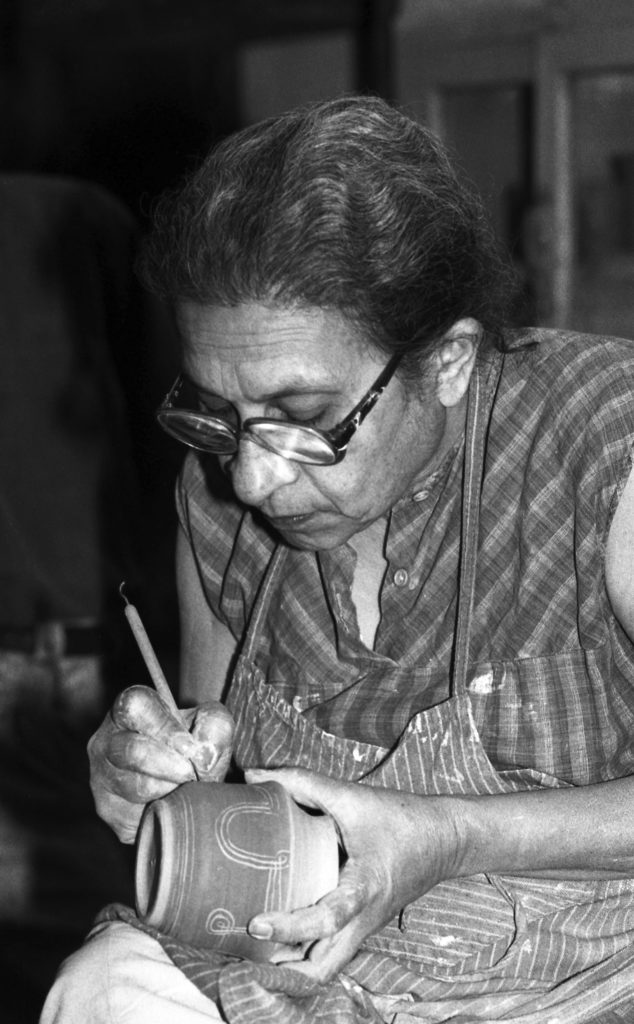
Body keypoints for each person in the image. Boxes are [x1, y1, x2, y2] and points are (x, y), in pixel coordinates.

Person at [40, 95, 634, 1024]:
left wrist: (448, 838)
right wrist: (150, 784)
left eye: (306, 420)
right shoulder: (216, 494)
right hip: (328, 979)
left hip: (588, 980)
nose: (251, 478)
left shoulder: (602, 443)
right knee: (102, 988)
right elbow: (220, 806)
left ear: (448, 361)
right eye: (221, 415)